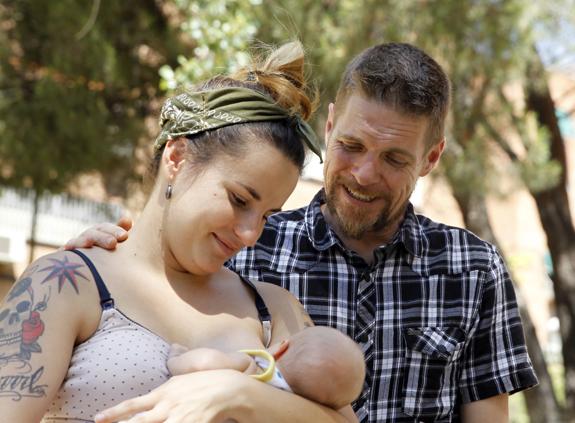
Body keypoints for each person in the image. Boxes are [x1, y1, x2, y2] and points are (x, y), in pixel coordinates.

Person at [65, 42, 538, 422]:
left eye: (394, 159)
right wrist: (103, 258)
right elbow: (144, 287)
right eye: (351, 145)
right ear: (329, 126)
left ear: (431, 158)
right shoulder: (245, 243)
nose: (364, 174)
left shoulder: (473, 270)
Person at [0, 41, 360, 423]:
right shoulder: (65, 281)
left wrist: (238, 395)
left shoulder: (275, 309)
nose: (251, 234)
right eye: (239, 200)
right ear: (177, 157)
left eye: (267, 215)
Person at [168, 325, 366, 410]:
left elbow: (204, 363)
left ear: (281, 348)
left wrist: (177, 357)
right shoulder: (301, 411)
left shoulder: (257, 368)